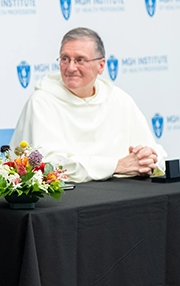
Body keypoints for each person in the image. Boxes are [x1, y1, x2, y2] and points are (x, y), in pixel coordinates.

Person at [12, 27, 166, 183]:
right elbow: (48, 165)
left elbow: (155, 153)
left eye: (80, 60)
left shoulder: (118, 98)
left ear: (101, 65)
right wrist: (116, 166)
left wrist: (148, 159)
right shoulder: (42, 101)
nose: (71, 67)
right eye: (65, 58)